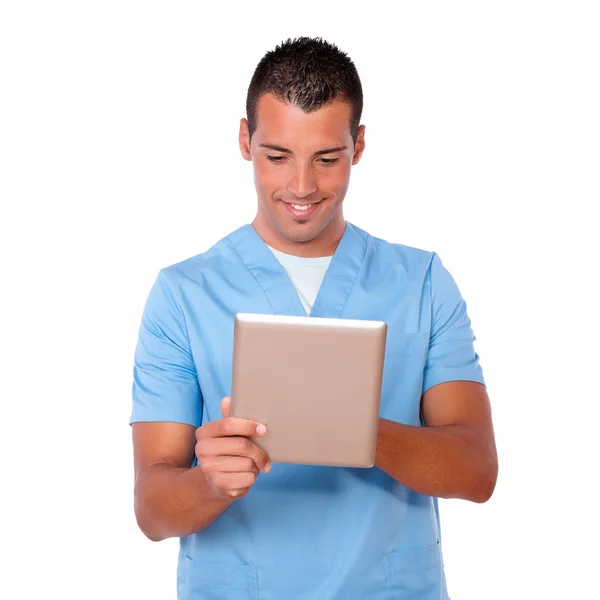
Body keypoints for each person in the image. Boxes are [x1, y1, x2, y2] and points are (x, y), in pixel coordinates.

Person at [130, 36, 498, 599]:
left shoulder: (421, 283)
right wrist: (209, 483)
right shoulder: (183, 294)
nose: (302, 186)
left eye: (327, 159)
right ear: (244, 142)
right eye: (278, 156)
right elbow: (151, 510)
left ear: (360, 145)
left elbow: (476, 472)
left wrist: (350, 429)